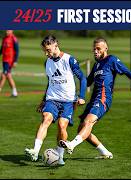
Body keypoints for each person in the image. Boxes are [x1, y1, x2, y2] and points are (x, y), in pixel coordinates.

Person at [59, 38, 131, 158]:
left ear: (106, 48)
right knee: (82, 129)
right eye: (94, 49)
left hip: (103, 98)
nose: (95, 51)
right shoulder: (96, 65)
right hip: (93, 100)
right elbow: (87, 82)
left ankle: (71, 144)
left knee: (88, 122)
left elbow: (127, 72)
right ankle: (105, 153)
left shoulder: (111, 59)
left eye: (98, 48)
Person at [24, 35, 87, 165]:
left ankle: (60, 156)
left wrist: (81, 96)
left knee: (61, 126)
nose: (46, 53)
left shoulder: (69, 60)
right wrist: (43, 100)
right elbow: (50, 82)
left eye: (48, 50)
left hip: (68, 101)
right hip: (52, 99)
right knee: (46, 118)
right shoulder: (47, 62)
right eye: (44, 51)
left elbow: (82, 78)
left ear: (55, 45)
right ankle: (35, 151)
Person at [0, 30, 19, 97]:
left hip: (9, 61)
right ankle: (14, 92)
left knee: (4, 75)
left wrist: (15, 61)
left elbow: (17, 51)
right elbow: (2, 49)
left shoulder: (14, 39)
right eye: (6, 30)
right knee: (8, 76)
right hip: (4, 60)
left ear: (12, 31)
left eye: (8, 30)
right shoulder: (4, 38)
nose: (6, 31)